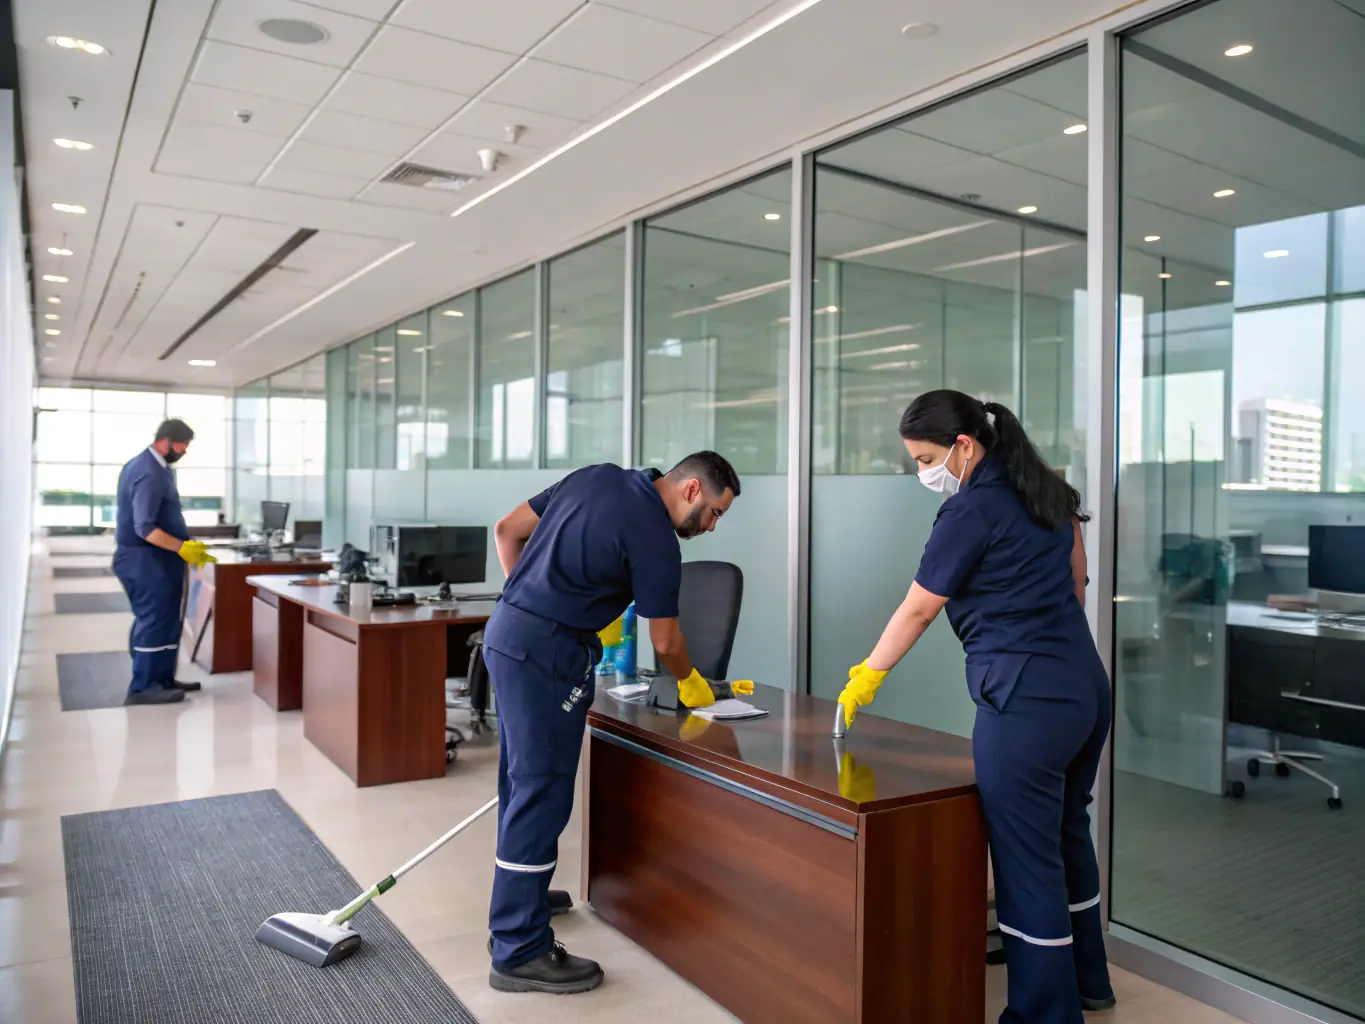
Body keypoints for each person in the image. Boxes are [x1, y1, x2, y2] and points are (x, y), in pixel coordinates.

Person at [836, 390, 1114, 1024]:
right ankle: (1088, 981)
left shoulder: (972, 511)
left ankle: (1045, 1012)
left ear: (963, 446)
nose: (923, 473)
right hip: (1082, 685)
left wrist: (867, 677)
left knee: (1024, 856)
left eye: (927, 458)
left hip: (1025, 700)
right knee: (1068, 828)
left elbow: (919, 607)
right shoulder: (1050, 494)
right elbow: (1077, 583)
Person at [484, 451, 744, 995]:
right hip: (546, 652)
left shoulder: (595, 477)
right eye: (716, 513)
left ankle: (519, 903)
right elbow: (666, 639)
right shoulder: (655, 538)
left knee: (520, 782)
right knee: (541, 791)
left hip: (508, 634)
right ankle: (518, 949)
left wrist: (528, 600)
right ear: (692, 490)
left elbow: (507, 530)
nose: (714, 527)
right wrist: (693, 685)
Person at [112, 419, 215, 706]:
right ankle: (143, 687)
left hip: (161, 559)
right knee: (154, 619)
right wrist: (184, 548)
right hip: (144, 560)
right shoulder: (147, 472)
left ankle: (162, 678)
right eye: (183, 444)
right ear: (166, 440)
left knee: (168, 619)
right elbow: (145, 528)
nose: (184, 450)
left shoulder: (159, 469)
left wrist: (185, 544)